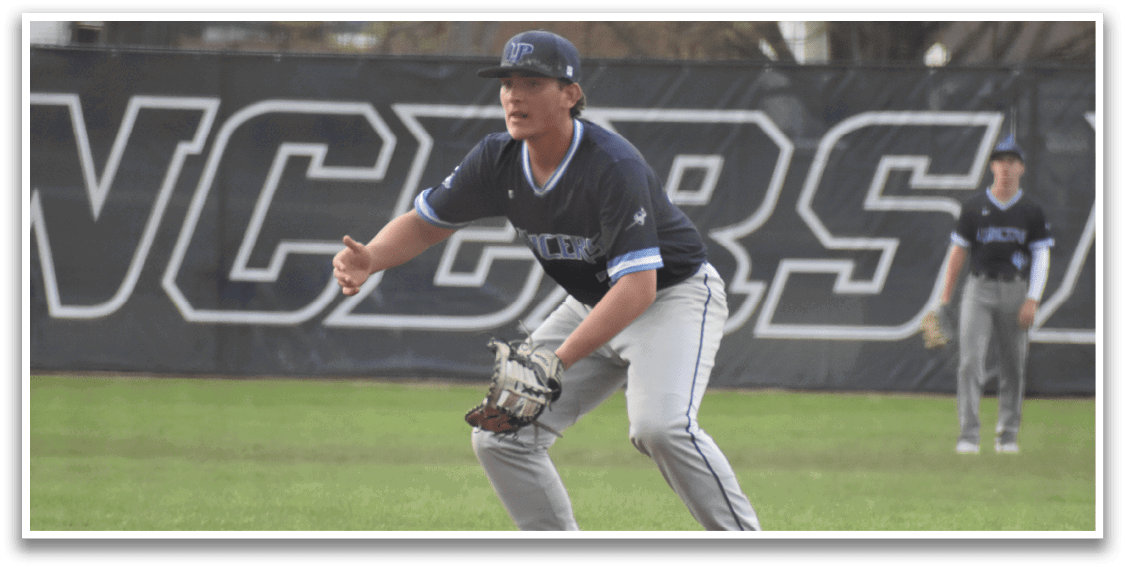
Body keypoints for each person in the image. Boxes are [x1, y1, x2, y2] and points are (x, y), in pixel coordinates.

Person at [333, 30, 761, 531]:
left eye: (532, 82)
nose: (515, 94)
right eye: (508, 82)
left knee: (661, 428)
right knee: (499, 436)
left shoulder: (611, 165)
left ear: (570, 93)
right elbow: (427, 223)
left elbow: (639, 287)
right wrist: (374, 257)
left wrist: (554, 362)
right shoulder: (497, 159)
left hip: (670, 297)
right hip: (592, 301)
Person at [937, 134, 1053, 454]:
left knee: (1013, 364)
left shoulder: (1031, 210)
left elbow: (1042, 256)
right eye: (1000, 161)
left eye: (1012, 161)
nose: (1005, 167)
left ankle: (1007, 434)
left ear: (1022, 169)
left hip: (1015, 289)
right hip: (979, 287)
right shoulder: (974, 207)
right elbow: (958, 252)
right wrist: (946, 296)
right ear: (992, 167)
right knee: (970, 362)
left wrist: (1033, 297)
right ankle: (969, 434)